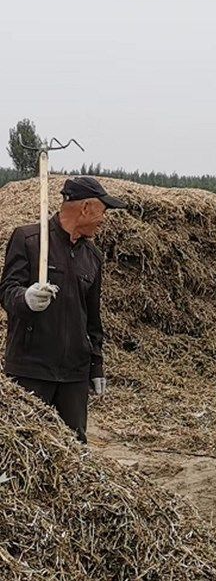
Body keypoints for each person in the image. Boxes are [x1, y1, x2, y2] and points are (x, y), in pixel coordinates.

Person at [0, 176, 126, 442]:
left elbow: (92, 318)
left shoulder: (92, 256)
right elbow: (7, 292)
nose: (104, 219)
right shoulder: (30, 240)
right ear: (85, 208)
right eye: (103, 211)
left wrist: (95, 365)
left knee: (73, 450)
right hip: (31, 371)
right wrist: (26, 298)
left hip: (73, 375)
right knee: (28, 448)